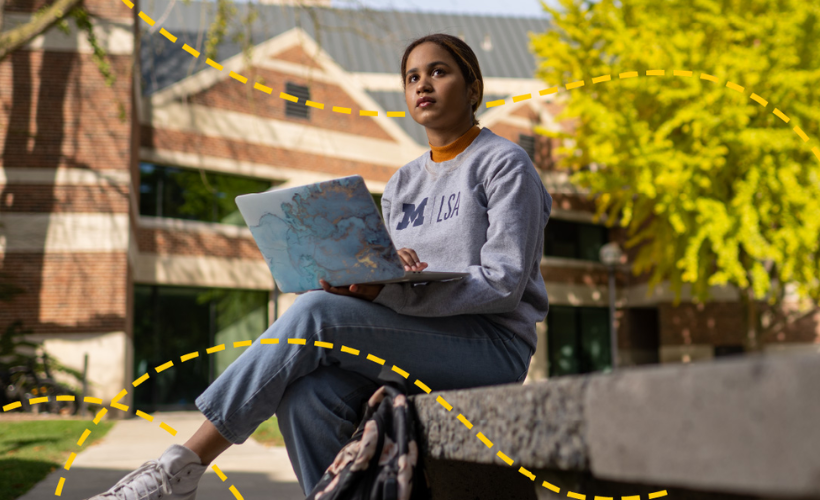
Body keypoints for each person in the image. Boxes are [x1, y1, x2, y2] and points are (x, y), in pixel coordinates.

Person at [86, 32, 551, 500]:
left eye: (438, 71)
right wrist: (366, 276)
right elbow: (397, 283)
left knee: (314, 314)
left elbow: (503, 283)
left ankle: (179, 469)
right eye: (412, 77)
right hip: (416, 342)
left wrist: (393, 289)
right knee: (307, 398)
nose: (423, 84)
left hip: (490, 347)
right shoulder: (401, 184)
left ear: (474, 89)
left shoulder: (504, 163)